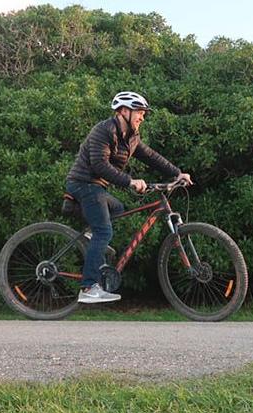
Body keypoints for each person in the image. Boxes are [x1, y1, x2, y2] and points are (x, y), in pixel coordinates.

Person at [65, 91, 192, 303]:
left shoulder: (131, 137)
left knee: (118, 209)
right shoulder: (103, 131)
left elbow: (151, 156)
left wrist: (177, 173)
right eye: (139, 112)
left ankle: (91, 239)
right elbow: (99, 165)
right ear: (124, 111)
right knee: (104, 231)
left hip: (96, 187)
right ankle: (88, 288)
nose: (142, 117)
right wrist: (130, 181)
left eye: (143, 113)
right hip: (83, 184)